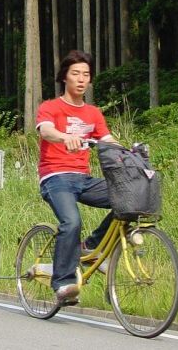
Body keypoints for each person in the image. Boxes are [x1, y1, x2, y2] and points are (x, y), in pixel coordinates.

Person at [35, 50, 117, 306]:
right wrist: (63, 136)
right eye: (75, 74)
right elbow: (46, 131)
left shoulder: (93, 113)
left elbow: (107, 139)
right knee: (71, 222)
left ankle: (91, 247)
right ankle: (62, 283)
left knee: (127, 199)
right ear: (64, 78)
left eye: (86, 75)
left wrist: (127, 151)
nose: (81, 79)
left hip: (83, 178)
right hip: (55, 177)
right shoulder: (50, 107)